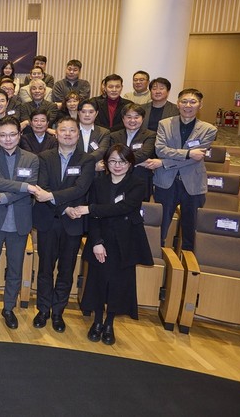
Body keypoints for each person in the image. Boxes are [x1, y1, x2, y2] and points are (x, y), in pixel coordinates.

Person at [74, 144, 154, 345]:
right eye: (112, 161)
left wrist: (91, 208)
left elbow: (124, 208)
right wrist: (96, 242)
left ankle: (110, 323)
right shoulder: (98, 182)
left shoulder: (138, 184)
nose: (117, 166)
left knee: (119, 283)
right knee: (98, 281)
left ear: (130, 163)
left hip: (125, 241)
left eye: (122, 161)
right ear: (106, 163)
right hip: (101, 239)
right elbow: (94, 219)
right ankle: (97, 321)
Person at [30, 116, 96, 333]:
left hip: (73, 224)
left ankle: (58, 311)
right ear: (56, 134)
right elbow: (42, 187)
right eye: (63, 130)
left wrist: (53, 198)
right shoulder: (44, 157)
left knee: (66, 270)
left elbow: (80, 189)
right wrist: (64, 208)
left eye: (72, 131)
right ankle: (43, 310)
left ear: (78, 134)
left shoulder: (87, 160)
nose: (68, 134)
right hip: (49, 220)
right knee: (45, 268)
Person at [0, 116, 39, 329]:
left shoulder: (32, 159)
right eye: (3, 135)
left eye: (12, 134)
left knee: (15, 269)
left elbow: (29, 187)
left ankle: (8, 308)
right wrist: (24, 187)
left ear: (19, 135)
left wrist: (3, 197)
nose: (8, 139)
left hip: (20, 223)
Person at [153, 88, 217, 250]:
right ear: (178, 103)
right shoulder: (164, 124)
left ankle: (187, 260)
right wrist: (188, 153)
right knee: (161, 226)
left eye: (193, 102)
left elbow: (197, 158)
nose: (188, 105)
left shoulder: (209, 129)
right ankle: (157, 257)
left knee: (190, 228)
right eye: (184, 101)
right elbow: (160, 150)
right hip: (166, 181)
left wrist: (164, 163)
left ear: (200, 105)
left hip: (193, 183)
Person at [109, 103, 159, 199]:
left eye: (136, 117)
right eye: (129, 117)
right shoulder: (114, 136)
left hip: (141, 179)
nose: (132, 120)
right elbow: (112, 156)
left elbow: (144, 154)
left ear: (142, 119)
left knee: (141, 207)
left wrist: (121, 160)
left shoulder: (150, 135)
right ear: (123, 119)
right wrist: (139, 162)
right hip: (117, 180)